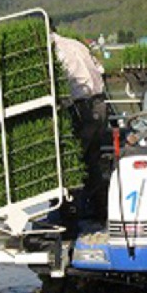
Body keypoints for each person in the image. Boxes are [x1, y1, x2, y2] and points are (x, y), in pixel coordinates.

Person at [50, 22, 108, 221]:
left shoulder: (52, 50)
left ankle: (70, 217)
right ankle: (101, 212)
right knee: (92, 159)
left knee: (71, 162)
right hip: (100, 104)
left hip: (81, 108)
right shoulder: (75, 44)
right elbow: (101, 70)